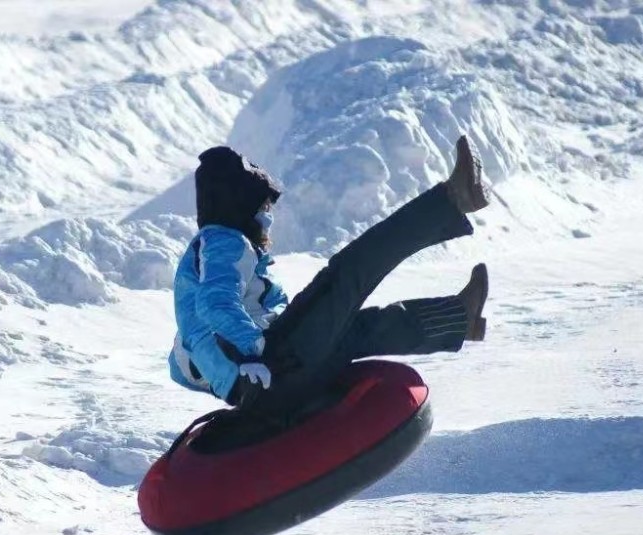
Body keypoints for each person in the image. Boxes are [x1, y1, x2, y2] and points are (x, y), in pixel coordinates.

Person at [168, 136, 490, 415]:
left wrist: (232, 376)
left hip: (267, 378)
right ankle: (455, 197)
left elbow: (183, 363)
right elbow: (215, 304)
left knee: (361, 328)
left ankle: (460, 318)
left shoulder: (210, 255)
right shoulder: (224, 240)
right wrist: (252, 354)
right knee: (350, 271)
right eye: (262, 206)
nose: (267, 216)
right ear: (239, 205)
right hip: (272, 365)